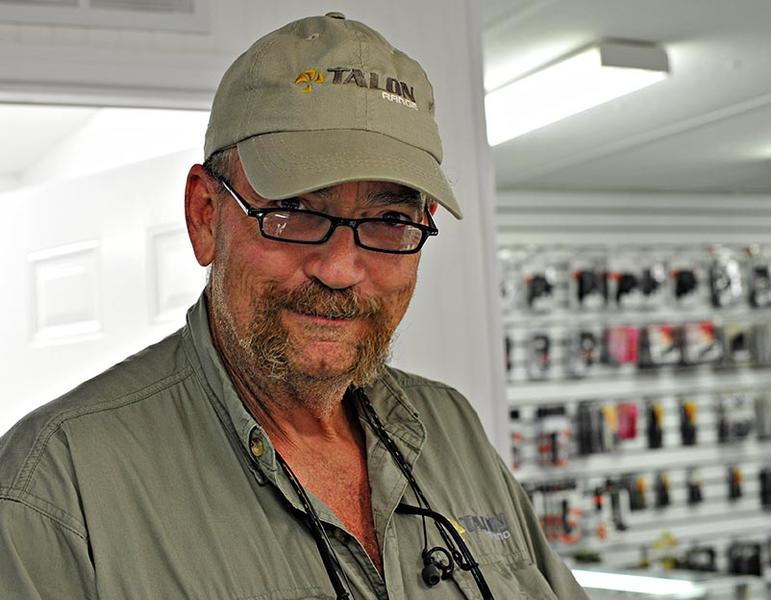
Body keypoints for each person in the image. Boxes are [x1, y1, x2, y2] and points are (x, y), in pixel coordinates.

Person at [0, 12, 587, 600]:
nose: (340, 269)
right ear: (205, 216)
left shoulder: (451, 429)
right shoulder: (58, 485)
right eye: (294, 209)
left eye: (388, 219)